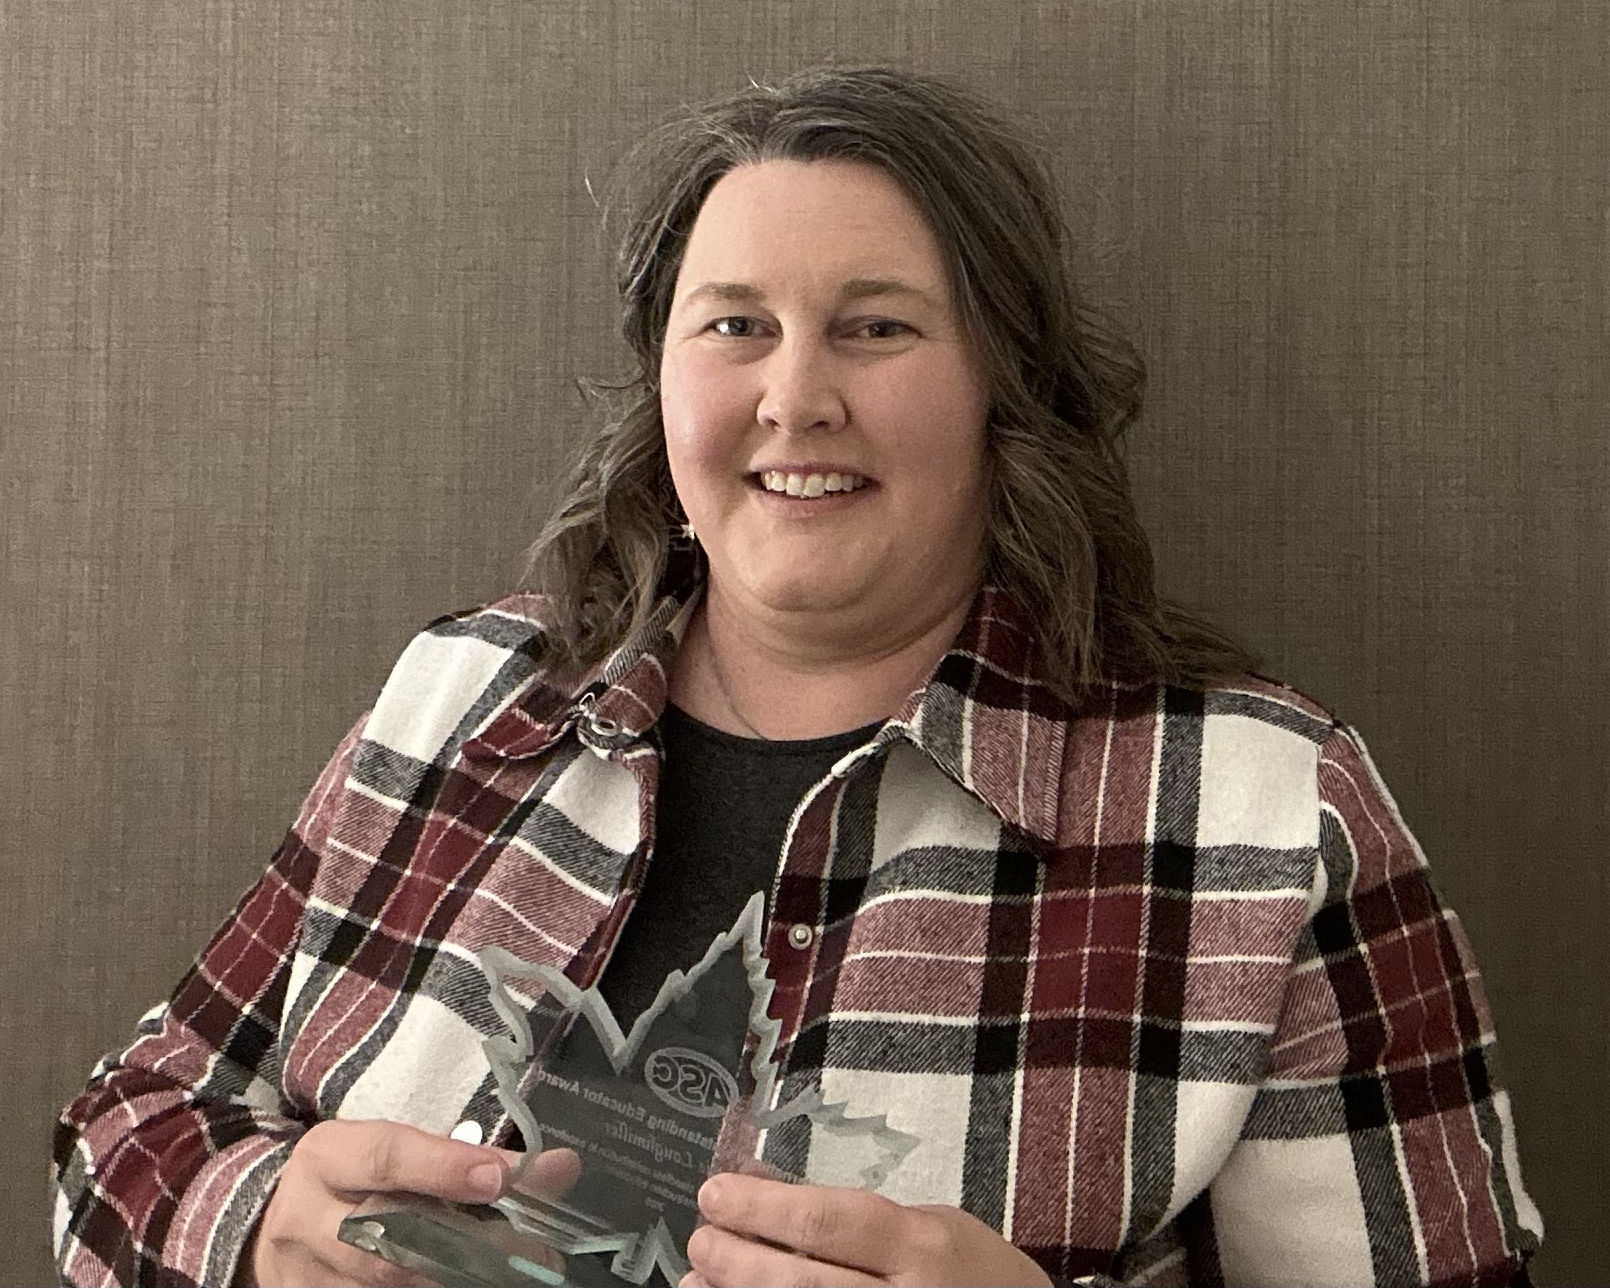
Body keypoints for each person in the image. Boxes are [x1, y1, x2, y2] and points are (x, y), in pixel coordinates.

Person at [54, 65, 1542, 1288]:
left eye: (874, 328)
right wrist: (255, 1224)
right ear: (664, 384)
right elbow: (122, 1128)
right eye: (734, 327)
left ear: (1000, 392)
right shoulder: (460, 701)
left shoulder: (1261, 815)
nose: (794, 397)